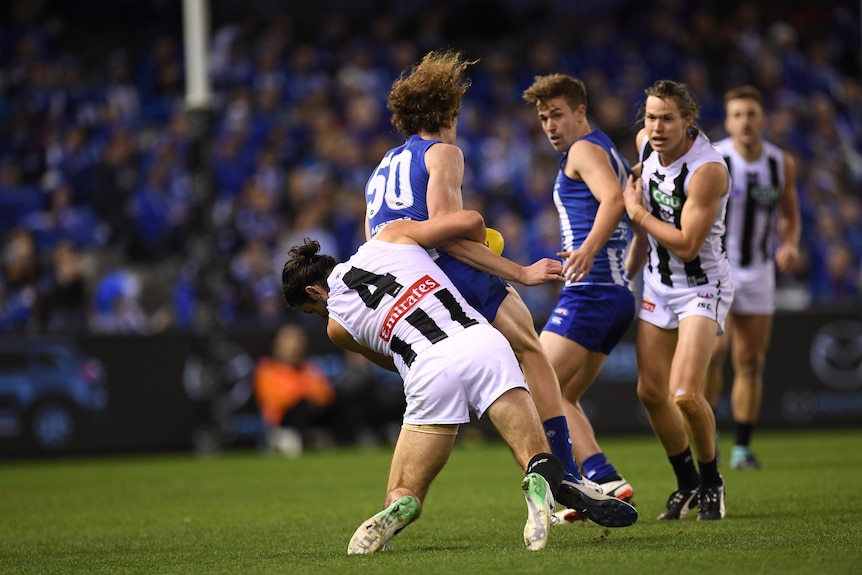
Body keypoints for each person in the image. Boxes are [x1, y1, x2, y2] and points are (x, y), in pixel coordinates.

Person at [281, 210, 635, 553]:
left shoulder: (336, 327)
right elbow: (469, 222)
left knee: (404, 488)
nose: (319, 316)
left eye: (311, 311)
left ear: (315, 292)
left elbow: (393, 363)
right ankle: (541, 479)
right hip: (482, 342)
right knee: (534, 454)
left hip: (427, 368)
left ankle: (402, 504)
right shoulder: (390, 235)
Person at [363, 49, 603, 513]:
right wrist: (521, 271)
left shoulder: (380, 168)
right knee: (530, 349)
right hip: (446, 270)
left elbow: (379, 240)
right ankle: (567, 474)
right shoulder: (444, 153)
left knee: (449, 393)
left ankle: (408, 493)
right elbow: (446, 232)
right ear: (449, 109)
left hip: (405, 288)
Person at [522, 74, 636, 508]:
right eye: (543, 117)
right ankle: (604, 479)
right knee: (562, 395)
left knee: (535, 390)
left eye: (557, 115)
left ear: (580, 112)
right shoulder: (607, 149)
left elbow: (614, 201)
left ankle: (573, 486)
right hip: (614, 293)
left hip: (591, 291)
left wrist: (587, 251)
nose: (550, 125)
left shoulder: (583, 150)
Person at [622, 80, 734, 521]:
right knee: (651, 392)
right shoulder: (644, 147)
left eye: (667, 118)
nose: (657, 127)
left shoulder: (708, 169)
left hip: (702, 285)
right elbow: (644, 191)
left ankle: (712, 482)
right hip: (657, 283)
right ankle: (686, 482)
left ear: (689, 121)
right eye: (651, 117)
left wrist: (638, 213)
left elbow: (687, 244)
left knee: (686, 394)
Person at [705, 85, 801, 470]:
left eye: (751, 114)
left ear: (762, 119)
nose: (745, 121)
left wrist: (790, 243)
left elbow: (791, 214)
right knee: (714, 353)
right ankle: (705, 436)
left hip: (760, 270)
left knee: (750, 360)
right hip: (717, 269)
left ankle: (742, 448)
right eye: (738, 115)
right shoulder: (715, 158)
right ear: (728, 121)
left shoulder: (781, 163)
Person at [253, 324, 335, 457]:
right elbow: (277, 398)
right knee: (299, 405)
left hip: (312, 415)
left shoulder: (309, 368)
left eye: (298, 344)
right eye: (289, 344)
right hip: (283, 421)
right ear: (278, 347)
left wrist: (306, 394)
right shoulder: (267, 369)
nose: (294, 349)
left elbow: (325, 395)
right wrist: (303, 391)